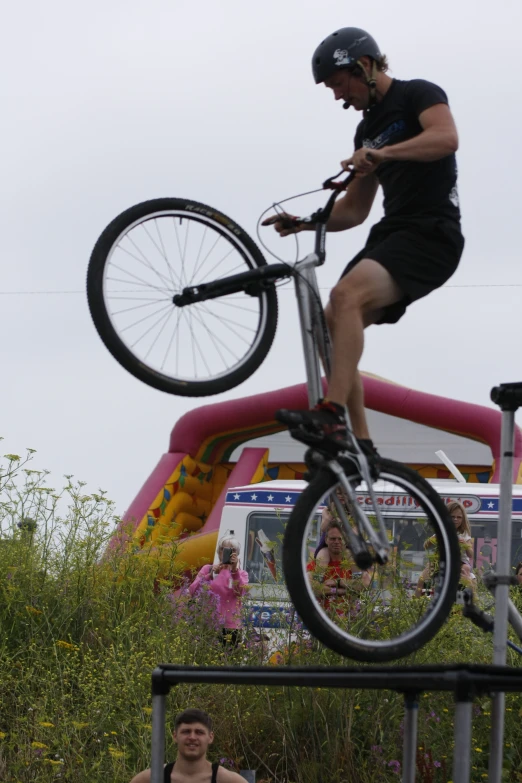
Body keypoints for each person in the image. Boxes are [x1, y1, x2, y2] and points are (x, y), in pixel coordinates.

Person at [263, 27, 464, 459]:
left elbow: (447, 138)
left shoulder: (418, 94)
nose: (339, 96)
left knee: (345, 295)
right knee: (329, 320)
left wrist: (385, 155)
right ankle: (361, 443)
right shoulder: (365, 131)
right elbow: (354, 210)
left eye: (340, 84)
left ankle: (330, 411)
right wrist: (304, 222)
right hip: (393, 232)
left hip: (433, 233)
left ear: (365, 67)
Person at [129, 708, 246, 783]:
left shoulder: (227, 780)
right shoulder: (150, 778)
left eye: (199, 732)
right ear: (175, 736)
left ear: (210, 737)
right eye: (186, 731)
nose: (192, 737)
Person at [189, 535, 248, 646]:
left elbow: (241, 593)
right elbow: (192, 591)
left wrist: (234, 571)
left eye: (232, 550)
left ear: (237, 554)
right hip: (208, 624)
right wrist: (210, 575)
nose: (227, 553)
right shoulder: (207, 569)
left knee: (229, 659)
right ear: (218, 551)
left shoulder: (241, 574)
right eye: (223, 549)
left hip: (231, 627)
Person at [307, 520, 370, 609]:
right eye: (333, 538)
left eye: (340, 539)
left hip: (349, 619)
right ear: (326, 540)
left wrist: (338, 582)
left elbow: (365, 584)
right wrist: (339, 591)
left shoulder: (354, 564)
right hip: (322, 617)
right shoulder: (318, 562)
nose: (337, 542)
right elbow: (311, 587)